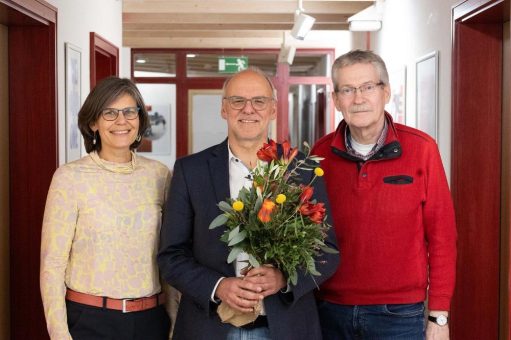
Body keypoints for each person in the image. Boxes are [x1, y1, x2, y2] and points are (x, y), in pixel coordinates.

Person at [157, 67, 339, 340]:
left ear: (273, 109)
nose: (248, 109)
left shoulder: (301, 170)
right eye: (237, 101)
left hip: (286, 327)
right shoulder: (190, 171)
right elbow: (171, 256)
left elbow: (327, 252)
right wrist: (218, 286)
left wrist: (284, 279)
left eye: (259, 101)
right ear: (224, 109)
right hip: (210, 327)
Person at [312, 49, 457, 340]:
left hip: (400, 315)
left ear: (386, 92)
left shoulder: (422, 149)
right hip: (331, 311)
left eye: (368, 87)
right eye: (348, 90)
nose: (359, 98)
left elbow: (442, 236)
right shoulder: (320, 154)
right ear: (337, 99)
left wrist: (439, 315)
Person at [40, 77, 173, 339]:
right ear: (93, 123)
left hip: (151, 320)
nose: (121, 121)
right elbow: (52, 265)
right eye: (109, 113)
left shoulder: (159, 175)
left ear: (140, 119)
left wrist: (174, 320)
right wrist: (59, 334)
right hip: (90, 321)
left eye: (129, 111)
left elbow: (169, 255)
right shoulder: (69, 177)